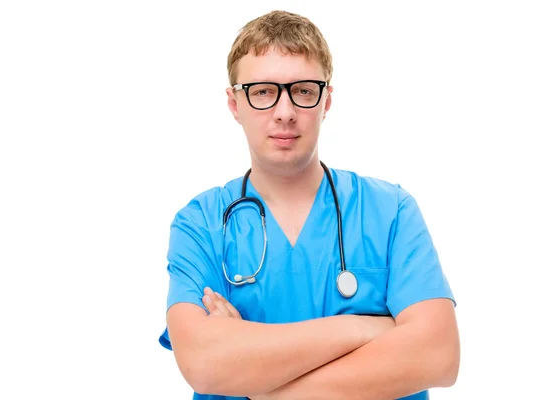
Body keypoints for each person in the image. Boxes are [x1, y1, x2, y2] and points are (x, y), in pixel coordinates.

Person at [158, 9, 459, 400]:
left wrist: (261, 386)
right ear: (235, 104)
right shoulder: (201, 224)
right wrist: (366, 328)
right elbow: (203, 364)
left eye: (302, 90)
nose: (285, 112)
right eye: (263, 92)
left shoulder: (391, 212)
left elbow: (438, 357)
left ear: (326, 100)